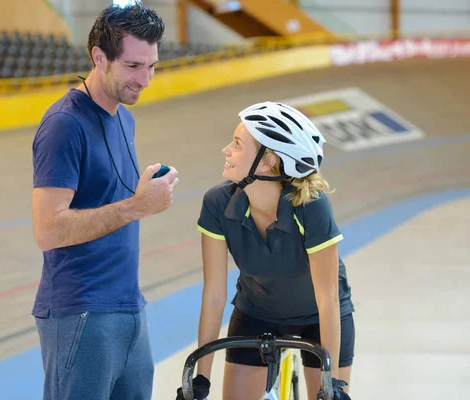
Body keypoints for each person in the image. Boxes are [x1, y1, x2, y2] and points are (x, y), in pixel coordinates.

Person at [31, 3, 178, 400]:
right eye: (133, 66)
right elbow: (47, 230)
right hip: (80, 310)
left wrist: (142, 195)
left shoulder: (123, 117)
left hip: (128, 305)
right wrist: (139, 205)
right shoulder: (64, 125)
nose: (145, 80)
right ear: (99, 57)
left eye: (152, 66)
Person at [177, 102, 354, 400]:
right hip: (256, 312)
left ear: (267, 160)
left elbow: (327, 299)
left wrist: (332, 384)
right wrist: (201, 378)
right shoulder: (218, 204)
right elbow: (214, 293)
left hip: (318, 318)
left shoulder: (311, 208)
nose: (225, 150)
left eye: (237, 144)